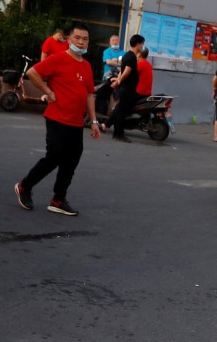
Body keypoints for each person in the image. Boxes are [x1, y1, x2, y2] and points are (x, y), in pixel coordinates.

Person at [14, 23, 101, 216]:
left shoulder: (86, 66)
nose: (81, 41)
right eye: (77, 38)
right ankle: (24, 186)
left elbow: (89, 95)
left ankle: (58, 200)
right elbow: (32, 73)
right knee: (54, 157)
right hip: (57, 118)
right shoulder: (58, 59)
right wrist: (48, 91)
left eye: (85, 39)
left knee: (71, 161)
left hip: (77, 123)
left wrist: (94, 121)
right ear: (69, 39)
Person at [108, 34, 145, 143]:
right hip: (127, 90)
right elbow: (126, 73)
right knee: (122, 112)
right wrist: (119, 81)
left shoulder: (127, 55)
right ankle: (118, 134)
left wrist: (118, 82)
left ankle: (118, 132)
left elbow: (122, 71)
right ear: (137, 44)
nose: (142, 46)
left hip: (126, 89)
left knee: (121, 111)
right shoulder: (131, 57)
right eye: (142, 43)